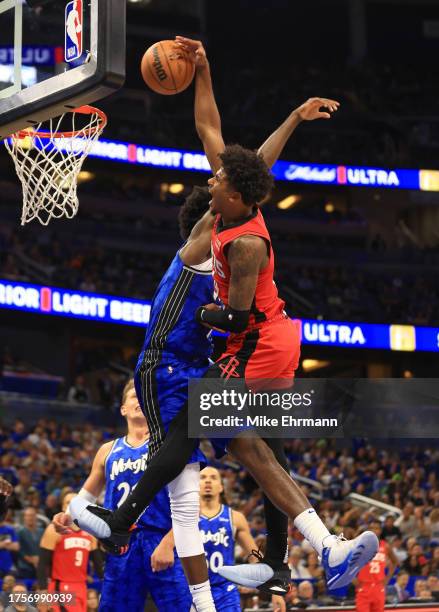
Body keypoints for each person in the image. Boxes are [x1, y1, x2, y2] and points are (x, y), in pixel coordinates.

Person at [70, 36, 376, 602]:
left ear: (224, 204)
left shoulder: (230, 240)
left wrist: (217, 313)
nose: (210, 179)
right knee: (242, 453)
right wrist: (216, 77)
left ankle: (129, 524)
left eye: (216, 183)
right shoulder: (225, 218)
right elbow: (226, 145)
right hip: (214, 357)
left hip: (209, 355)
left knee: (207, 452)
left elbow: (236, 313)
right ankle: (284, 560)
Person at [53, 380, 192, 612]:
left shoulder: (168, 444)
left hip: (161, 538)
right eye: (133, 397)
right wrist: (67, 516)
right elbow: (87, 494)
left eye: (143, 396)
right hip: (120, 543)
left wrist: (170, 543)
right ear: (123, 409)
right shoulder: (108, 450)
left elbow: (187, 500)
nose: (139, 400)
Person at [155, 466, 258, 611]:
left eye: (213, 477)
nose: (208, 481)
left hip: (225, 591)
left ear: (221, 487)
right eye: (202, 478)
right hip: (189, 590)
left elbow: (255, 557)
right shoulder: (181, 516)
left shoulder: (235, 517)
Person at [37, 491, 102, 612]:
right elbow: (42, 563)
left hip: (82, 586)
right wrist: (43, 590)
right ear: (63, 507)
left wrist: (108, 583)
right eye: (68, 503)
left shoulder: (89, 531)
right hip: (61, 586)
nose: (72, 506)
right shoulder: (54, 529)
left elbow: (98, 563)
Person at [355, 521, 398, 612]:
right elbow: (347, 563)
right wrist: (352, 579)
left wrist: (387, 578)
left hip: (379, 587)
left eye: (376, 528)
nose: (374, 530)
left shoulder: (385, 546)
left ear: (380, 531)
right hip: (364, 587)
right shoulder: (360, 545)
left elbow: (395, 562)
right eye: (371, 528)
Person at [16, 508, 43, 579]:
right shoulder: (20, 532)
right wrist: (31, 560)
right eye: (27, 516)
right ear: (24, 518)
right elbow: (19, 550)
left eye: (32, 515)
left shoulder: (42, 531)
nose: (30, 518)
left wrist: (39, 559)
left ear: (36, 517)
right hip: (24, 568)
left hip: (40, 566)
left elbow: (44, 547)